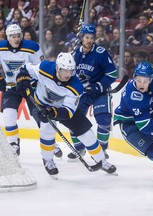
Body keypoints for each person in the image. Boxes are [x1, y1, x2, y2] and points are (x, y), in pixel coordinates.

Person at [15, 52, 116, 176]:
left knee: (86, 133)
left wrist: (52, 112)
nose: (68, 74)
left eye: (71, 70)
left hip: (62, 109)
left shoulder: (76, 86)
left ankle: (101, 160)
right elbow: (25, 69)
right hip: (41, 104)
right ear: (58, 68)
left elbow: (68, 112)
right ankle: (48, 160)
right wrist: (22, 79)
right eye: (65, 70)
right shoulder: (45, 67)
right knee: (47, 130)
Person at [0, 24, 62, 157]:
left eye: (18, 36)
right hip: (11, 86)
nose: (16, 39)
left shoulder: (32, 47)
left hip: (31, 86)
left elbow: (42, 67)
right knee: (8, 114)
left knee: (40, 115)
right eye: (13, 36)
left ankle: (51, 142)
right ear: (7, 37)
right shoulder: (1, 47)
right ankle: (13, 143)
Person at [66, 24, 117, 161]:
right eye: (87, 37)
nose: (89, 40)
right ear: (82, 37)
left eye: (91, 38)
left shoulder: (101, 53)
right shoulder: (75, 53)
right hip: (83, 93)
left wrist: (99, 86)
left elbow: (112, 74)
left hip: (99, 92)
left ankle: (101, 150)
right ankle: (80, 149)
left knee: (104, 120)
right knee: (72, 119)